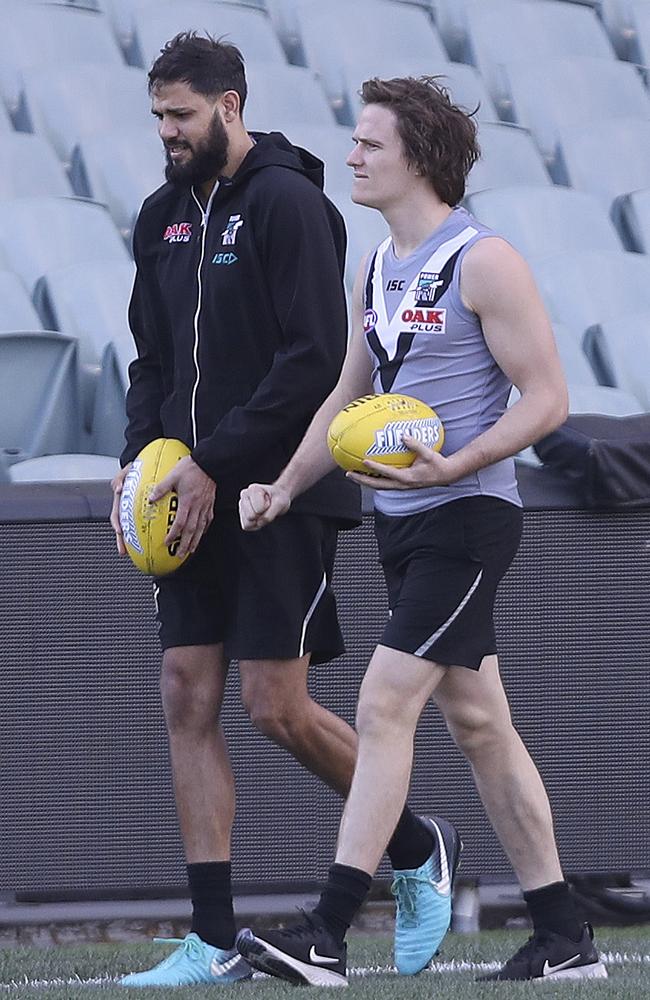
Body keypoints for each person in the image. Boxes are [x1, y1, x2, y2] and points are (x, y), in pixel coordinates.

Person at [235, 76, 608, 985]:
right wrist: (284, 486)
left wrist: (458, 461)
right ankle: (565, 937)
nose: (352, 156)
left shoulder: (484, 261)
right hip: (400, 522)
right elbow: (349, 398)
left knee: (381, 703)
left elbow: (550, 396)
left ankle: (325, 932)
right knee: (481, 723)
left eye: (369, 144)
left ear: (419, 159)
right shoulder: (376, 265)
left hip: (469, 517)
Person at [110, 37, 459, 989]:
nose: (166, 134)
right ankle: (213, 938)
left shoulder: (292, 205)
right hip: (184, 493)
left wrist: (219, 464)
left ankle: (419, 843)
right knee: (186, 693)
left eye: (179, 116)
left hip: (277, 493)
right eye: (157, 118)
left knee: (275, 705)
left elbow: (313, 361)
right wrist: (146, 461)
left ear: (229, 106)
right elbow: (149, 360)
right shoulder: (158, 217)